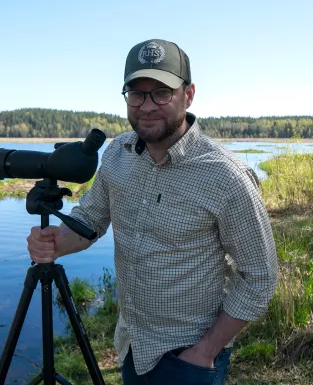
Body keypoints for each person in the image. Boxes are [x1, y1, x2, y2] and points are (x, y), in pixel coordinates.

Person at [27, 39, 278, 385]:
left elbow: (259, 277)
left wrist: (204, 352)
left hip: (189, 357)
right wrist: (59, 240)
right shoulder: (117, 154)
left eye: (162, 92)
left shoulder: (226, 177)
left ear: (188, 95)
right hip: (132, 344)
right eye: (137, 93)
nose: (147, 106)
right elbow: (91, 218)